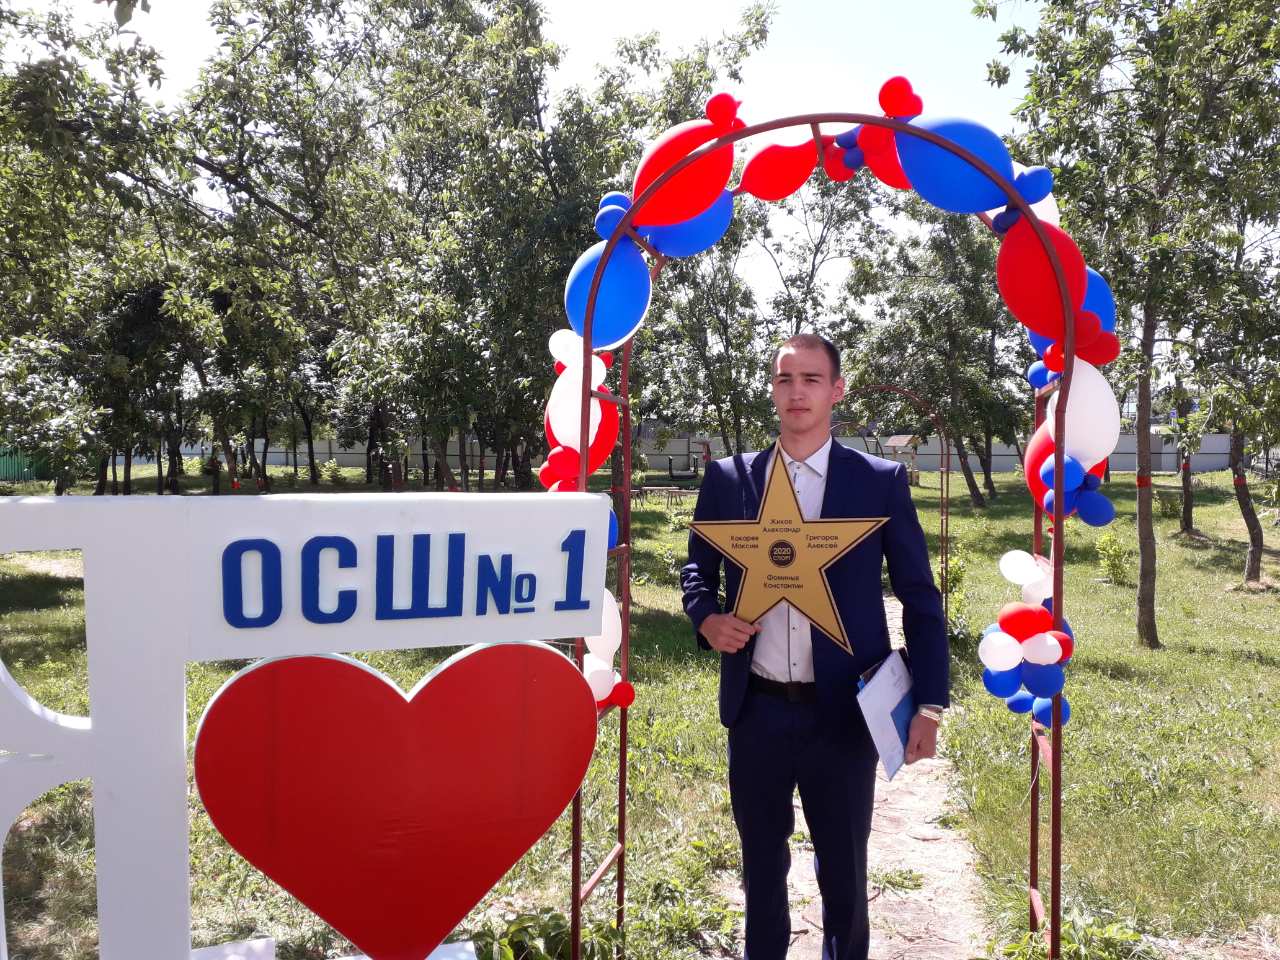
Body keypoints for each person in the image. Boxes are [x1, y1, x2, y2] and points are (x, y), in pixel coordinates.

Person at [680, 333, 949, 960]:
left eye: (810, 379)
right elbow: (697, 571)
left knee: (846, 875)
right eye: (784, 379)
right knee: (760, 869)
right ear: (773, 389)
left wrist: (930, 705)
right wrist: (707, 619)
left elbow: (919, 595)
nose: (796, 392)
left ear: (836, 390)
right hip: (757, 710)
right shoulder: (730, 479)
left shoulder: (878, 482)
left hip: (846, 714)